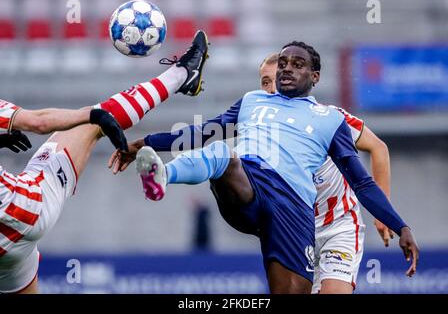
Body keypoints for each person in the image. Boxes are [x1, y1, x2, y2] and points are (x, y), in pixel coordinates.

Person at [109, 41, 419, 294]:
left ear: (315, 76)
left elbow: (363, 180)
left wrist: (396, 222)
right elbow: (203, 131)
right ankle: (163, 174)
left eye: (296, 65)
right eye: (281, 65)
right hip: (252, 189)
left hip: (308, 216)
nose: (285, 70)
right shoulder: (251, 103)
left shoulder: (331, 118)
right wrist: (146, 141)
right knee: (220, 153)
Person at [0, 30, 209, 294]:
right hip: (20, 213)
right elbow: (39, 122)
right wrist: (95, 115)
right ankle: (181, 75)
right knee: (90, 124)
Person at [259, 53, 393, 293]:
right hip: (296, 232)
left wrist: (382, 212)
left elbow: (378, 148)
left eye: (274, 80)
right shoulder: (260, 133)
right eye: (264, 82)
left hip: (338, 226)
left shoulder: (330, 118)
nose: (271, 89)